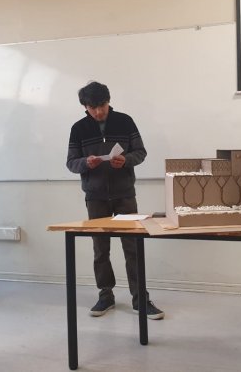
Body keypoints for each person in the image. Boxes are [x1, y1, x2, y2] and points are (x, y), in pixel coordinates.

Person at [66, 81, 164, 320]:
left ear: (108, 101)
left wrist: (126, 160)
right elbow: (71, 162)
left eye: (102, 105)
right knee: (100, 249)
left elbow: (140, 152)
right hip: (95, 197)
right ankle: (105, 295)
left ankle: (140, 299)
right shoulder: (78, 128)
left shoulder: (125, 121)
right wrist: (85, 163)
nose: (98, 111)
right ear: (85, 107)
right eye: (92, 107)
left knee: (133, 247)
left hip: (125, 196)